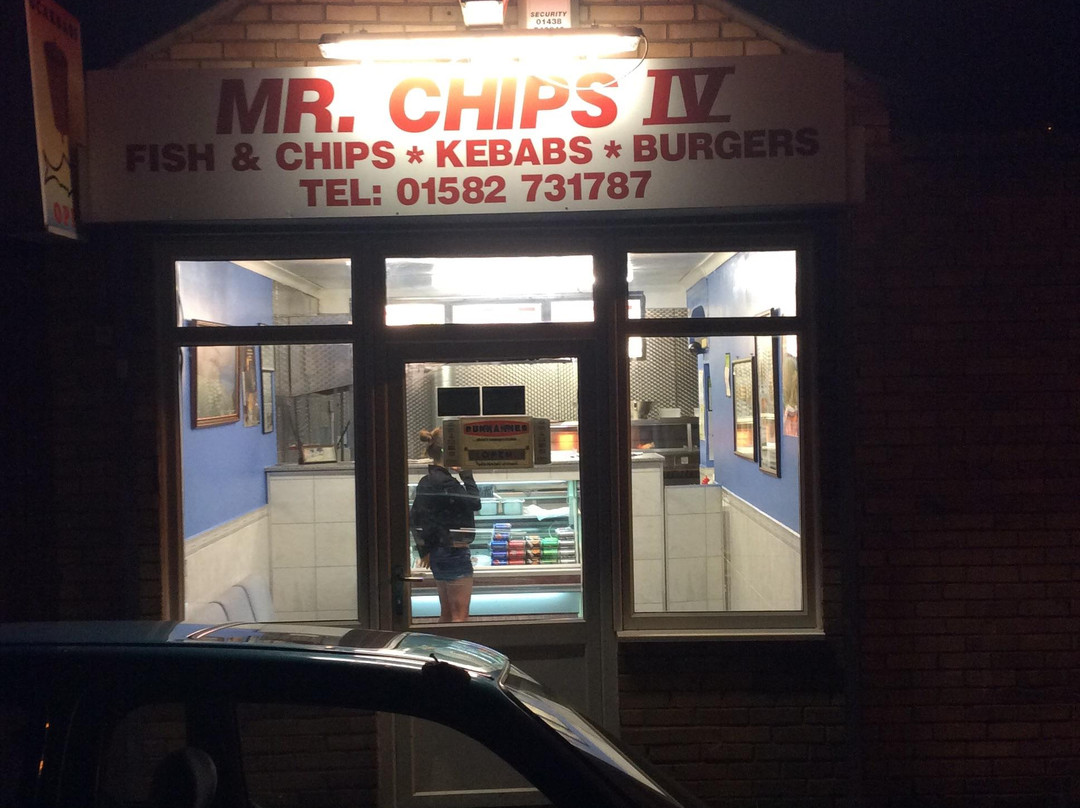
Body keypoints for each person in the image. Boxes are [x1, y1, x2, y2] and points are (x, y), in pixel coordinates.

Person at [409, 427, 481, 622]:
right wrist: (467, 474)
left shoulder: (426, 481)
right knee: (459, 616)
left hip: (437, 553)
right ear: (450, 452)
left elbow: (414, 518)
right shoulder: (448, 483)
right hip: (454, 552)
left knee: (447, 614)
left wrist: (424, 550)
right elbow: (475, 502)